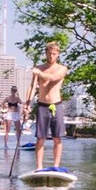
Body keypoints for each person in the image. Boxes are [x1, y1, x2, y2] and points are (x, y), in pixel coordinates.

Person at [23, 41, 69, 170]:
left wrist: (38, 73)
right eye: (49, 54)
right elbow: (32, 87)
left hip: (56, 104)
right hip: (42, 105)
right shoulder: (40, 68)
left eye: (54, 54)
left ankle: (56, 166)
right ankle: (39, 167)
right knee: (40, 138)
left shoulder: (62, 69)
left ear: (58, 55)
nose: (51, 56)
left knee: (57, 138)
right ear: (46, 53)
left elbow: (53, 78)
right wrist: (27, 103)